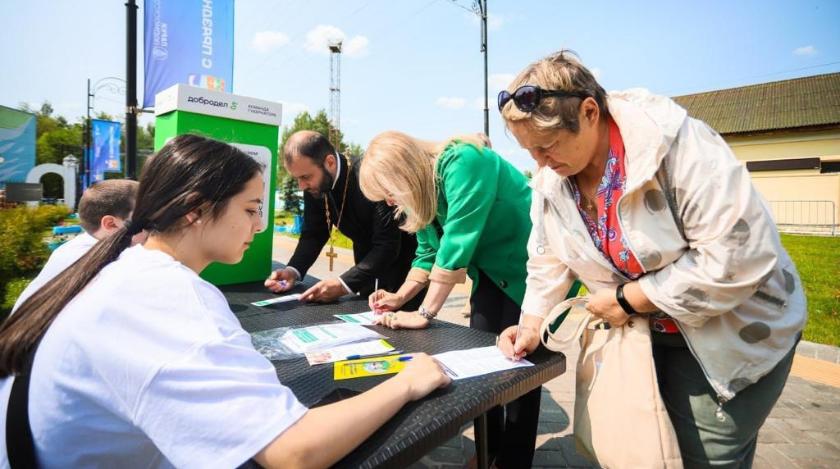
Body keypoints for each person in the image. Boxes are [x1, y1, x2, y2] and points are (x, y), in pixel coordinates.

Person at [0, 134, 449, 468]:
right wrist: (407, 382)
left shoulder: (120, 269)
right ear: (196, 209)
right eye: (251, 209)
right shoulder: (172, 298)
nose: (259, 226)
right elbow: (295, 452)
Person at [496, 50, 807, 468]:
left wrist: (628, 300)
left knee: (706, 455)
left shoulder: (675, 146)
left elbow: (736, 254)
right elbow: (547, 258)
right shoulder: (554, 179)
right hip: (645, 333)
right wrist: (531, 325)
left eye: (547, 146)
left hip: (730, 328)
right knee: (648, 446)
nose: (540, 163)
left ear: (589, 112)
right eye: (529, 150)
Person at [358, 131, 560, 468]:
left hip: (530, 270)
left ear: (404, 173)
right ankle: (488, 451)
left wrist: (425, 312)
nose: (390, 202)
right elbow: (427, 252)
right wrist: (400, 297)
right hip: (491, 274)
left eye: (389, 192)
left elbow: (457, 240)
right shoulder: (424, 193)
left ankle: (514, 461)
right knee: (482, 361)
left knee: (521, 365)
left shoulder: (465, 161)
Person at [265, 130, 421, 306]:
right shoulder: (314, 184)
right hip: (365, 270)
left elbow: (388, 244)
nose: (301, 186)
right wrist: (293, 270)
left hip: (405, 270)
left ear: (330, 162)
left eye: (305, 177)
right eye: (297, 179)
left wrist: (342, 284)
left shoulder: (369, 175)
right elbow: (314, 233)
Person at [12, 179, 142, 312]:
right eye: (144, 217)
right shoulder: (100, 264)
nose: (152, 223)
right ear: (111, 224)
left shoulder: (77, 248)